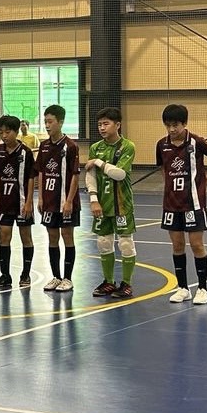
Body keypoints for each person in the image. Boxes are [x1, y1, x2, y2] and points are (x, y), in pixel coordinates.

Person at [157, 104, 207, 305]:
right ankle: (183, 288)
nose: (171, 129)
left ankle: (203, 289)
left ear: (184, 123)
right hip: (171, 204)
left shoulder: (197, 142)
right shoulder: (161, 145)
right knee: (177, 245)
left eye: (175, 125)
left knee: (196, 244)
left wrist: (205, 183)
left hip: (193, 203)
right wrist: (168, 186)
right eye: (168, 125)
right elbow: (163, 168)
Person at [84, 107, 137, 298]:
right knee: (103, 242)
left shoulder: (127, 146)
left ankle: (127, 284)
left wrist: (98, 162)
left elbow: (119, 174)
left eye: (106, 124)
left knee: (125, 243)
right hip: (102, 203)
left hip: (122, 204)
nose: (102, 128)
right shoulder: (95, 147)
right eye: (99, 124)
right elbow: (90, 176)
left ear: (118, 125)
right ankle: (108, 282)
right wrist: (93, 200)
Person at [0, 115, 37, 290]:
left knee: (26, 237)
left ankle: (25, 274)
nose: (4, 136)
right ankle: (5, 275)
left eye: (7, 132)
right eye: (1, 132)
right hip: (5, 201)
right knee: (4, 236)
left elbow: (31, 177)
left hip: (22, 201)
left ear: (16, 132)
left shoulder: (25, 152)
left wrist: (29, 201)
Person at [37, 104, 80, 293]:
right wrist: (40, 198)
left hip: (65, 202)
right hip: (49, 201)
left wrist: (69, 201)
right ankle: (56, 276)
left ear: (60, 122)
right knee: (52, 237)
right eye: (45, 122)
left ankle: (68, 278)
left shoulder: (70, 146)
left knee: (67, 236)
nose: (47, 125)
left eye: (50, 122)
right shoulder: (44, 146)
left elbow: (75, 175)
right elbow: (41, 172)